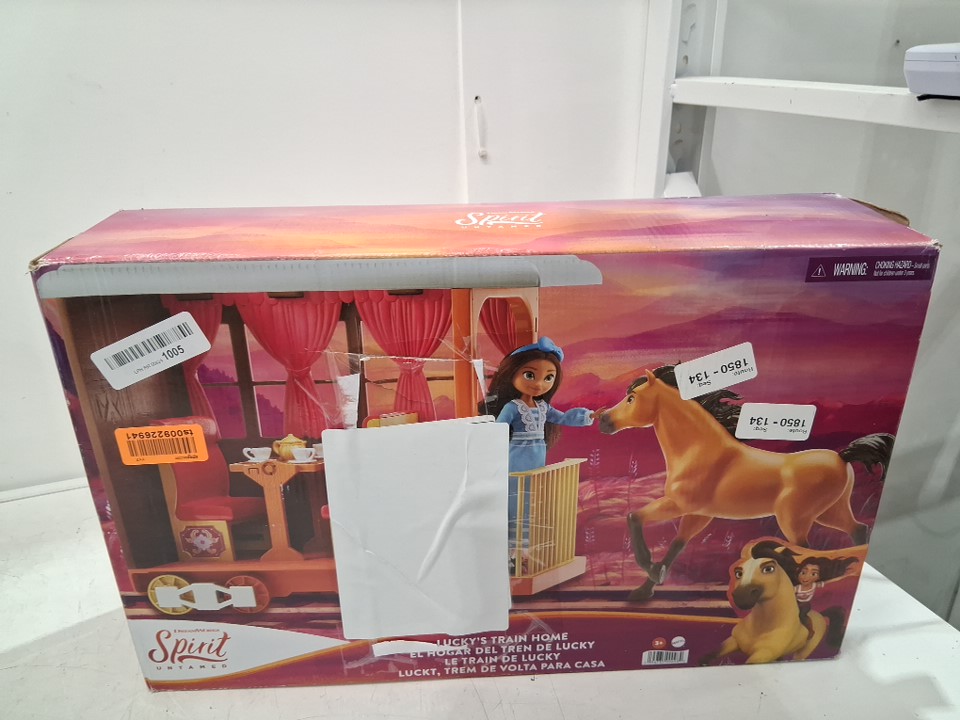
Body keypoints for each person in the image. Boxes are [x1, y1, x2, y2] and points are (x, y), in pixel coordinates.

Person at [481, 337, 601, 568]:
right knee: (514, 505)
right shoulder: (512, 407)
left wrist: (589, 416)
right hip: (516, 462)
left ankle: (523, 553)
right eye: (530, 375)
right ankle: (510, 554)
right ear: (512, 373)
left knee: (530, 506)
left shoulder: (543, 407)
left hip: (536, 465)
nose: (538, 384)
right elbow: (498, 429)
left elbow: (563, 418)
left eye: (548, 378)